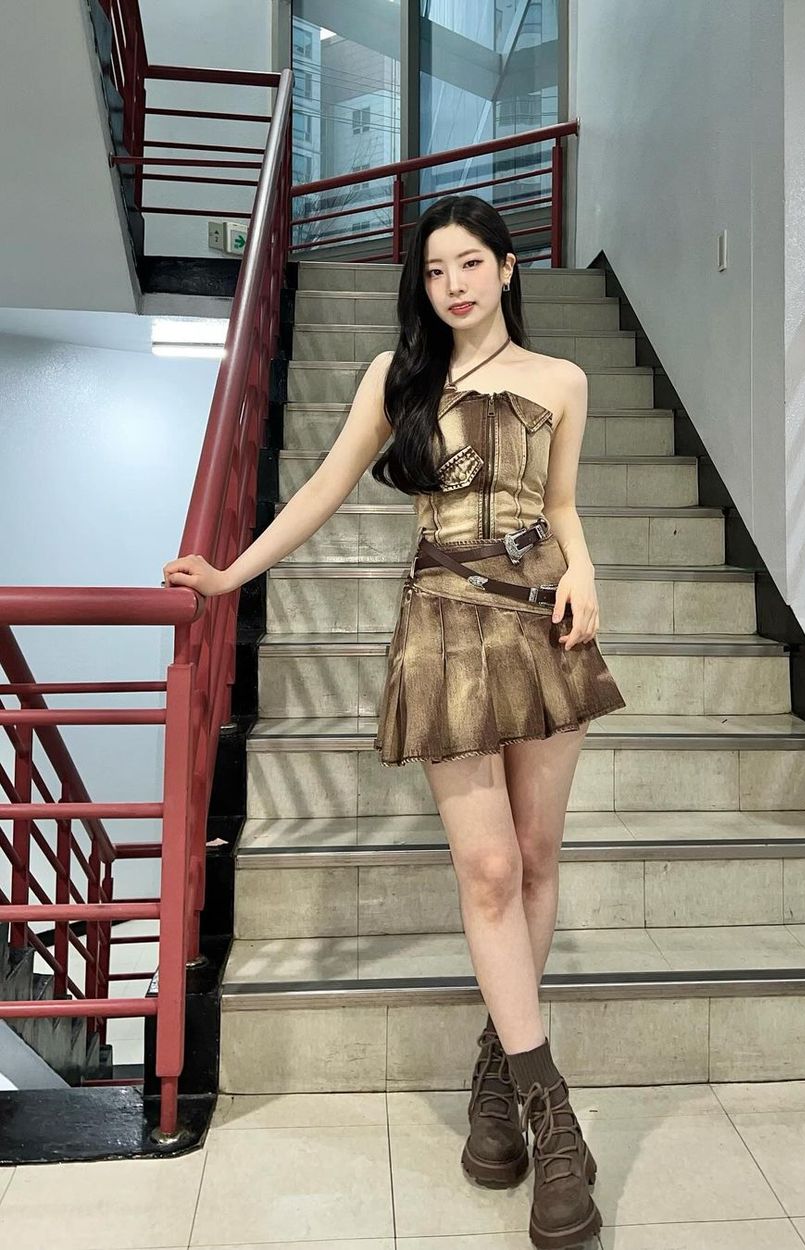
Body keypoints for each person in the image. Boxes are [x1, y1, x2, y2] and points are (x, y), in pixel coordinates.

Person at [163, 193, 627, 1249]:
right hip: (444, 629)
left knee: (538, 859)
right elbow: (322, 488)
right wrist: (229, 573)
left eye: (470, 263)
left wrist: (587, 572)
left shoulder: (563, 380)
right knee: (490, 870)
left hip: (546, 625)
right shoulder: (397, 375)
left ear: (507, 268)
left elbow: (560, 506)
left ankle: (496, 1074)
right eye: (434, 269)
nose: (453, 284)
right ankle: (554, 1118)